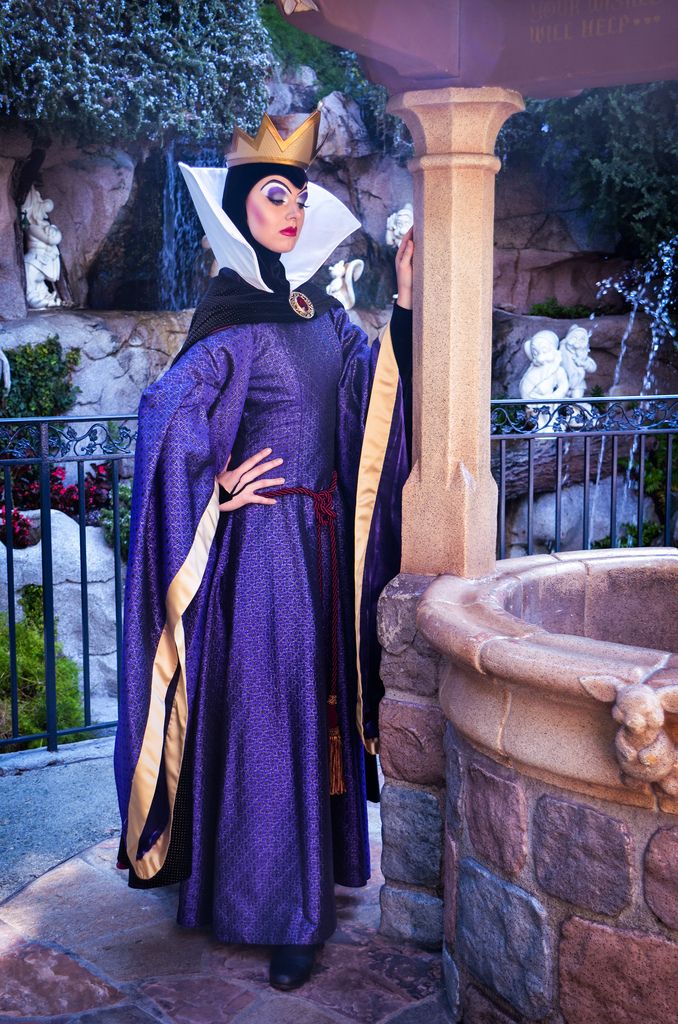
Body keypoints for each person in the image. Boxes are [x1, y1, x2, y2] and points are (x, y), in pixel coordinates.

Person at [113, 110, 413, 991]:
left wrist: (404, 301)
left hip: (324, 546)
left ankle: (298, 884)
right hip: (264, 554)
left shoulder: (320, 314)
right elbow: (163, 412)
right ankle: (283, 913)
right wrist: (212, 487)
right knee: (273, 717)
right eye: (273, 193)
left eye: (298, 193)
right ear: (244, 207)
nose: (290, 207)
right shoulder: (233, 318)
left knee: (317, 710)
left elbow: (372, 390)